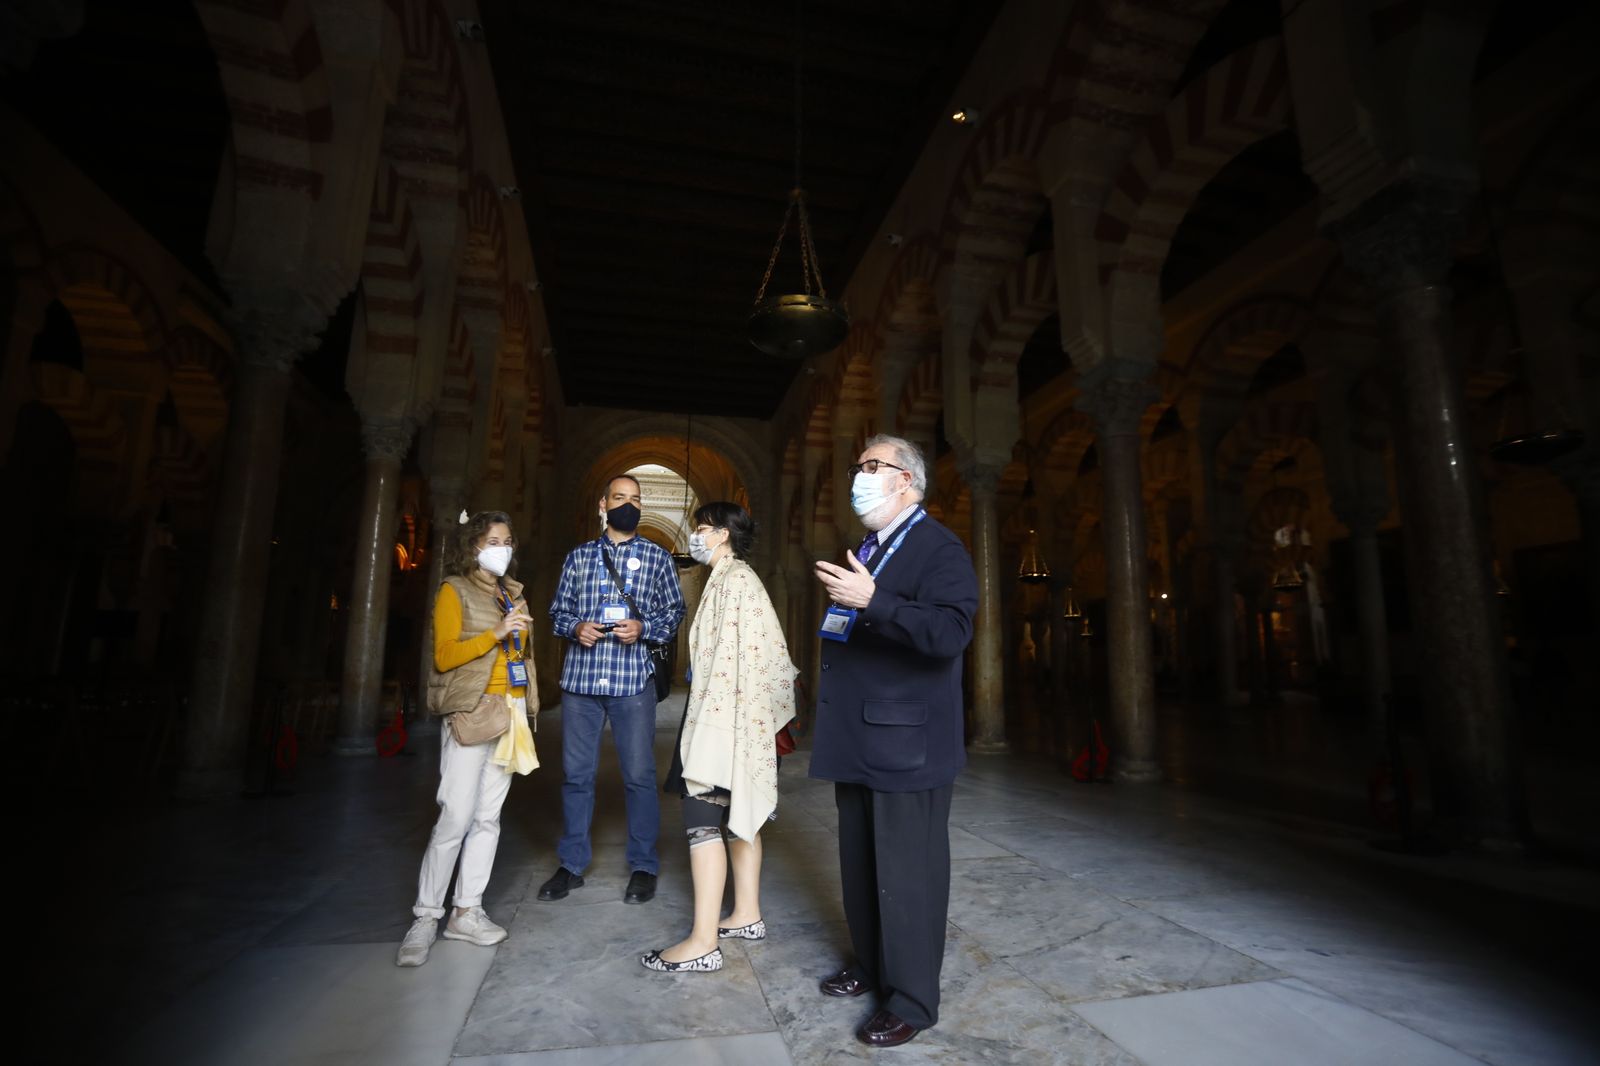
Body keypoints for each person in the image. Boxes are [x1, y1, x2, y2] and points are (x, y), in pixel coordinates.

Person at [809, 435, 978, 1047]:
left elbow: (952, 629)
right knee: (861, 863)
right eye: (857, 466)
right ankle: (874, 965)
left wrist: (874, 601)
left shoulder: (938, 546)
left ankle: (911, 999)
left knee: (908, 872)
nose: (859, 476)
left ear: (906, 480)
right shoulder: (870, 548)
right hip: (861, 733)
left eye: (871, 467)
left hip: (908, 740)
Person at [641, 502, 797, 973]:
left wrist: (721, 729)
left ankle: (703, 941)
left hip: (723, 718)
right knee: (737, 813)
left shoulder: (735, 581)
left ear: (725, 534)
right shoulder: (732, 578)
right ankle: (746, 914)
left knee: (702, 816)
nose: (697, 536)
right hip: (732, 717)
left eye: (703, 529)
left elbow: (751, 660)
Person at [398, 510, 539, 967]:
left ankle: (466, 911)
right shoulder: (452, 590)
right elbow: (443, 656)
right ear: (473, 546)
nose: (504, 547)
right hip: (471, 710)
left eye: (508, 540)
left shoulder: (512, 593)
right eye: (494, 540)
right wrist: (496, 633)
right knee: (455, 816)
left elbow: (521, 654)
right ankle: (425, 916)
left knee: (487, 818)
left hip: (509, 711)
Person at [541, 474, 686, 905]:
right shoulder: (579, 557)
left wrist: (644, 627)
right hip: (582, 683)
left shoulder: (658, 558)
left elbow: (674, 612)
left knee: (640, 777)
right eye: (620, 497)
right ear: (603, 504)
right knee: (576, 776)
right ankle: (571, 864)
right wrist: (575, 626)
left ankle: (643, 866)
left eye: (636, 499)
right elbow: (556, 611)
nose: (629, 504)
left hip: (632, 683)